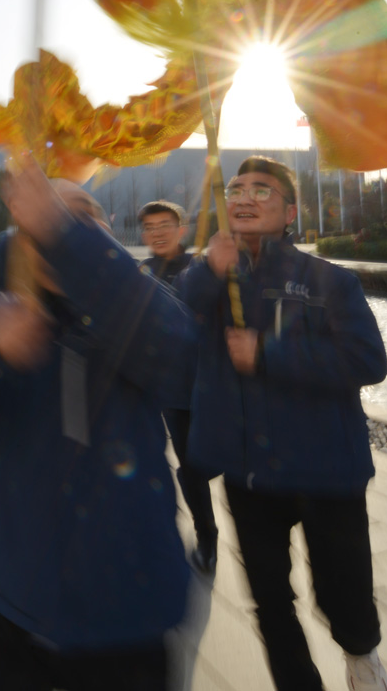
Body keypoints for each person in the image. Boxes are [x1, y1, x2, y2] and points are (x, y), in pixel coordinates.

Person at [0, 162, 200, 690]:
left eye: (82, 217)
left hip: (131, 615)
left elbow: (181, 359)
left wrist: (64, 235)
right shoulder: (4, 317)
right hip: (20, 606)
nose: (60, 226)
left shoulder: (136, 313)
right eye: (46, 217)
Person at [184, 156, 387, 691]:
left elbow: (368, 361)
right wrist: (208, 271)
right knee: (271, 604)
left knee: (343, 596)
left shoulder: (329, 281)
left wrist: (269, 353)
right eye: (236, 189)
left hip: (327, 472)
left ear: (291, 211)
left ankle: (362, 658)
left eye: (263, 191)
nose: (245, 197)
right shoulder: (210, 279)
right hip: (250, 476)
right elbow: (173, 323)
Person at [139, 199, 219, 575]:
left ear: (181, 229)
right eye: (150, 227)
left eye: (164, 225)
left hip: (201, 386)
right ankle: (204, 535)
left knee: (198, 464)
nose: (156, 233)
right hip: (162, 387)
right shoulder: (140, 272)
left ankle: (207, 534)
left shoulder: (199, 267)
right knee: (177, 468)